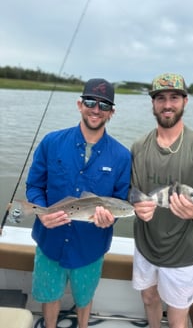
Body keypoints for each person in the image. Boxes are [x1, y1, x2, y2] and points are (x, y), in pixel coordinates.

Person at [26, 78, 131, 328]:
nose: (96, 109)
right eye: (90, 102)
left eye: (104, 105)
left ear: (111, 112)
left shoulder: (122, 156)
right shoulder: (51, 142)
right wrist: (42, 213)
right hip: (49, 241)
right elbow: (34, 187)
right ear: (79, 104)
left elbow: (121, 200)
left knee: (85, 298)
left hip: (90, 246)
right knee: (49, 296)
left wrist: (110, 219)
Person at [130, 73, 193, 328]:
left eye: (174, 98)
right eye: (160, 98)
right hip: (145, 245)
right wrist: (137, 207)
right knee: (148, 298)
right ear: (153, 103)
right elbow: (130, 190)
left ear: (185, 101)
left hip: (183, 252)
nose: (167, 104)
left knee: (178, 315)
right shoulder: (138, 146)